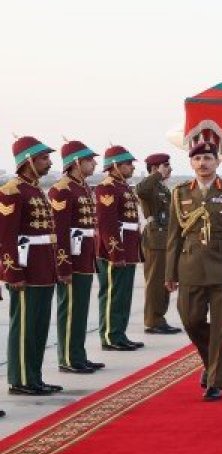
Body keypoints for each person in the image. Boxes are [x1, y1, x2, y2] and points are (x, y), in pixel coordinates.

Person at [165, 142, 222, 401]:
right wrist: (170, 273)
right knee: (190, 319)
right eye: (198, 158)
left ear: (217, 162)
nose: (203, 163)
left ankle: (216, 380)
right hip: (190, 266)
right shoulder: (179, 194)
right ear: (191, 163)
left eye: (208, 158)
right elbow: (173, 236)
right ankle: (212, 359)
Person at [0, 136, 64, 395]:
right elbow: (6, 237)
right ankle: (21, 379)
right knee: (25, 326)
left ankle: (34, 376)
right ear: (28, 160)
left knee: (38, 327)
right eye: (44, 158)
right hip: (25, 271)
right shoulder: (11, 192)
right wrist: (12, 271)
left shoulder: (36, 190)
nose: (49, 163)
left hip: (43, 268)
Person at [49, 139, 105, 373]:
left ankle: (78, 354)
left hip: (85, 256)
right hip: (71, 258)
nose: (93, 164)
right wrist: (63, 266)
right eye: (88, 160)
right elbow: (60, 233)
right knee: (70, 309)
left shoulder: (83, 187)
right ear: (74, 163)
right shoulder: (62, 190)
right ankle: (68, 359)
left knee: (80, 309)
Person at [95, 145, 143, 351]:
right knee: (113, 294)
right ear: (115, 166)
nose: (132, 168)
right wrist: (115, 251)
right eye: (128, 164)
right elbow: (107, 223)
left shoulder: (122, 186)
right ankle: (110, 336)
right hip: (115, 250)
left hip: (128, 247)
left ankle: (119, 333)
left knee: (123, 295)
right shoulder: (107, 187)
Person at [136, 152, 181, 335]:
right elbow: (141, 190)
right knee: (155, 282)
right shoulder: (150, 185)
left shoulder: (162, 187)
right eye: (165, 165)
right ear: (155, 168)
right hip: (155, 239)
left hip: (165, 238)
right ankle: (153, 320)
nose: (169, 169)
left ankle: (159, 318)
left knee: (164, 280)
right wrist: (157, 174)